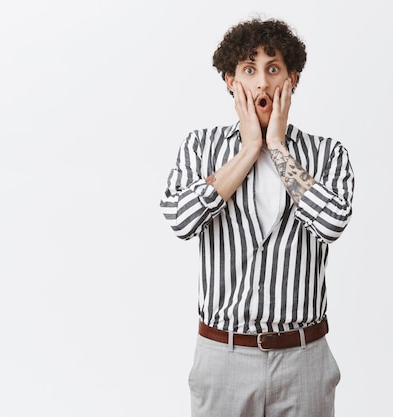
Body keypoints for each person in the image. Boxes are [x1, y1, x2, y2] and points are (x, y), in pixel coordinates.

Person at [159, 18, 354, 417]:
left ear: (292, 78)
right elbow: (181, 220)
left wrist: (276, 147)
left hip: (304, 361)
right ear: (230, 80)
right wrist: (249, 149)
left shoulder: (328, 153)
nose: (262, 83)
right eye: (249, 70)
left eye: (273, 68)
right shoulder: (200, 148)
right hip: (223, 357)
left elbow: (332, 222)